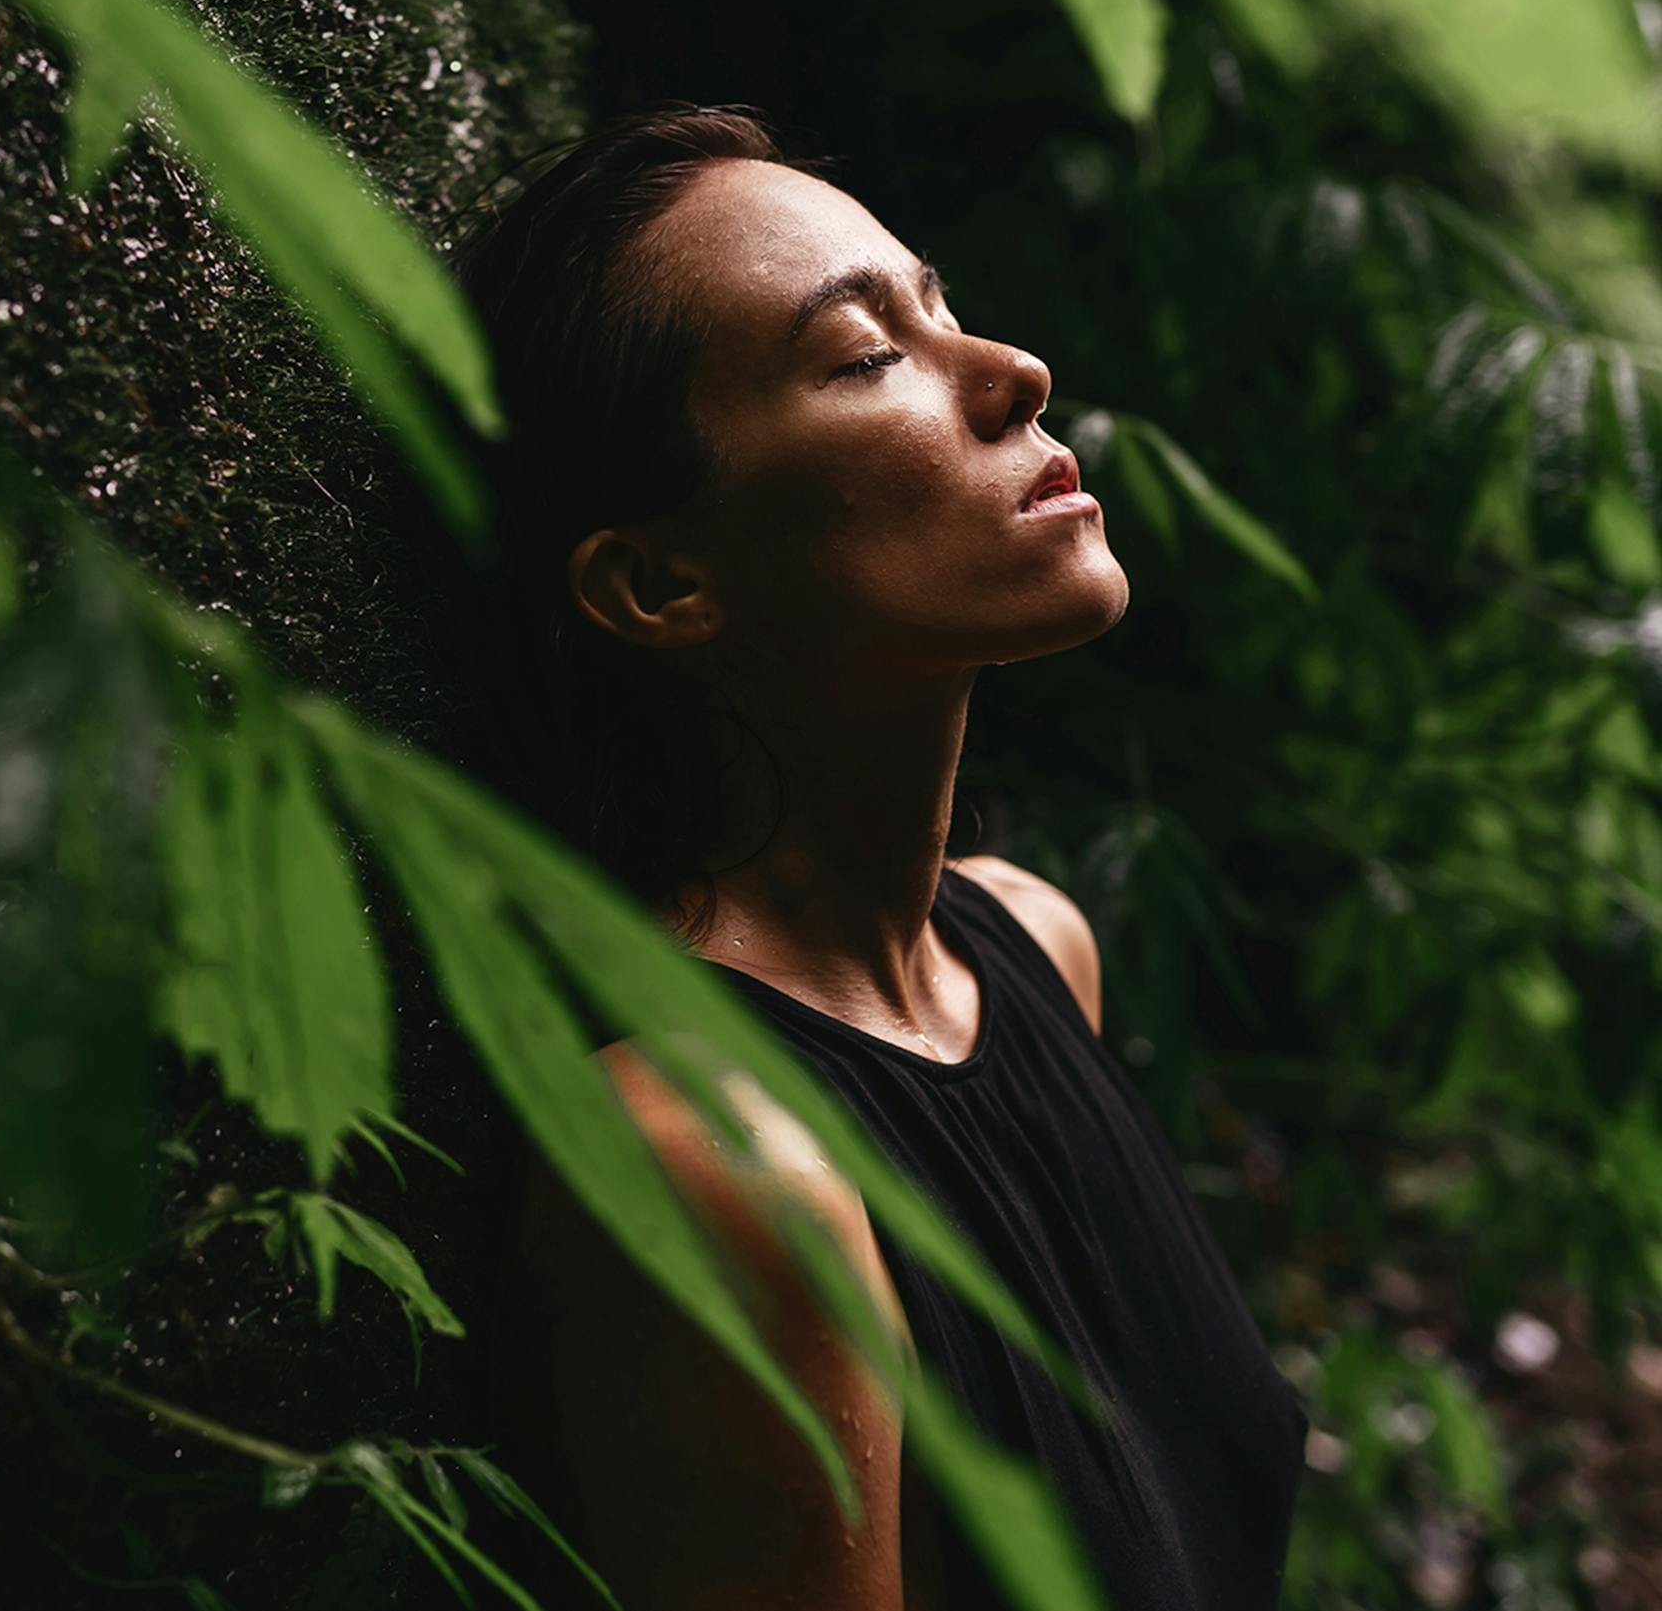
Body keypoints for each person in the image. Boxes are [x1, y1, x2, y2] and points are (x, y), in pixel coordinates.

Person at [443, 105, 1309, 1610]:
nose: (1014, 373)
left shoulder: (1037, 947)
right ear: (661, 581)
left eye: (944, 306)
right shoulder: (722, 1162)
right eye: (865, 354)